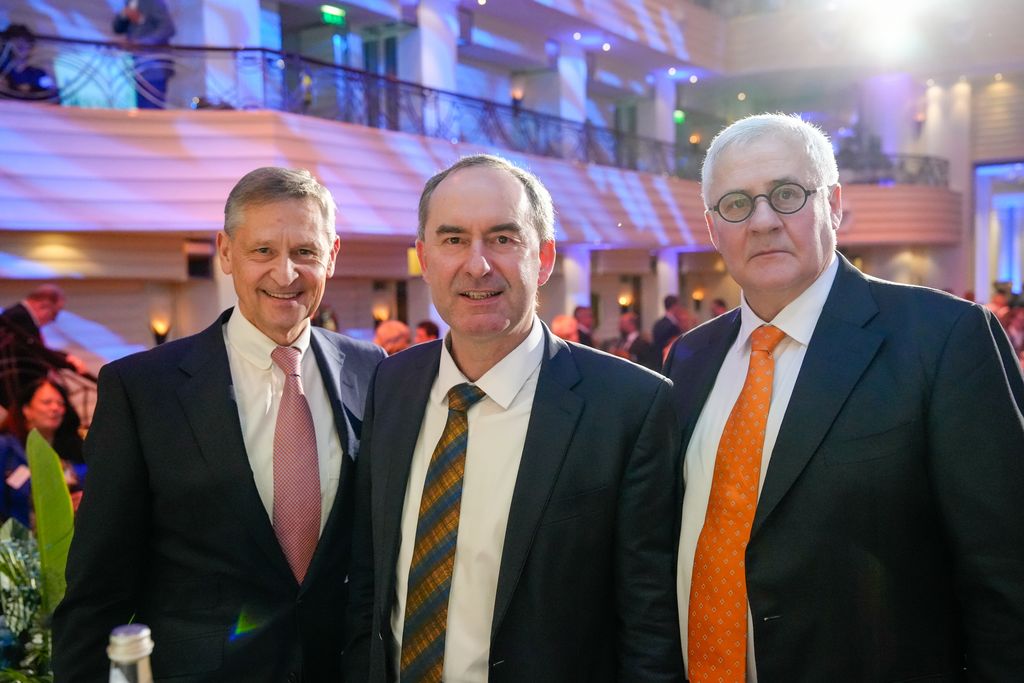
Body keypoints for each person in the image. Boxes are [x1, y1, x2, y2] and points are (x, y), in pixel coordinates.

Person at [663, 113, 1024, 681]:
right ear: (713, 228)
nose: (762, 222)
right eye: (735, 204)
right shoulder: (690, 358)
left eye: (786, 194)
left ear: (831, 204)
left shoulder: (944, 339)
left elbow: (1006, 574)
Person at [343, 154, 682, 682]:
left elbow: (649, 627)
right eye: (453, 240)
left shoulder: (630, 407)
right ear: (424, 258)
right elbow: (370, 576)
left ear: (543, 258)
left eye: (502, 239)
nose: (477, 265)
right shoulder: (391, 384)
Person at [52, 167, 386, 681]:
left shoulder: (373, 369)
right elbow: (98, 590)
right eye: (263, 252)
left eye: (305, 252)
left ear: (333, 255)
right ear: (226, 252)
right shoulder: (143, 389)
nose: (286, 273)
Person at [0, 378, 86, 526]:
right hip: (16, 542)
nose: (55, 408)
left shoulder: (76, 450)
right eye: (47, 402)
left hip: (69, 539)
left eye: (61, 404)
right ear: (26, 410)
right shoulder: (6, 448)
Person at [0, 284, 90, 411]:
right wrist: (67, 360)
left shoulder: (18, 316)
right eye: (55, 314)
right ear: (43, 305)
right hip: (16, 391)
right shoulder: (18, 317)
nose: (53, 320)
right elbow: (37, 351)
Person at [112, 0, 176, 109]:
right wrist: (124, 15)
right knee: (141, 110)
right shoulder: (129, 2)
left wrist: (142, 43)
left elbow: (168, 28)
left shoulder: (155, 2)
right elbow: (117, 28)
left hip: (155, 66)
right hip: (137, 65)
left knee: (152, 110)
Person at [0, 24, 59, 101]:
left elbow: (52, 96)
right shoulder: (2, 72)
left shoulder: (38, 74)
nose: (21, 44)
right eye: (15, 40)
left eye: (26, 41)